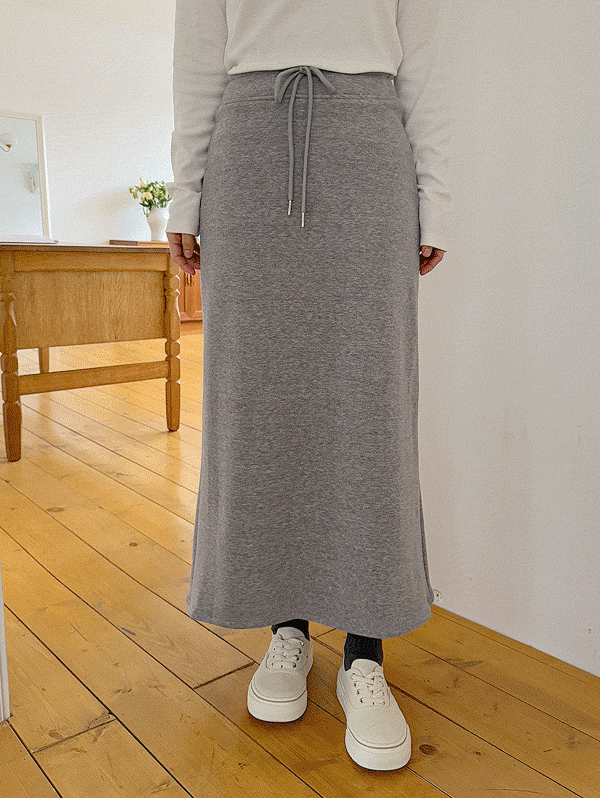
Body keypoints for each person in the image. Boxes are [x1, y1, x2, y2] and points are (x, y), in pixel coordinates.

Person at [165, 0, 450, 772]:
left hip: (369, 146)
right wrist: (186, 191)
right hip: (249, 145)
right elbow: (198, 55)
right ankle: (284, 625)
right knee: (260, 403)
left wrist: (437, 196)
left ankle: (365, 649)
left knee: (368, 403)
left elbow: (425, 60)